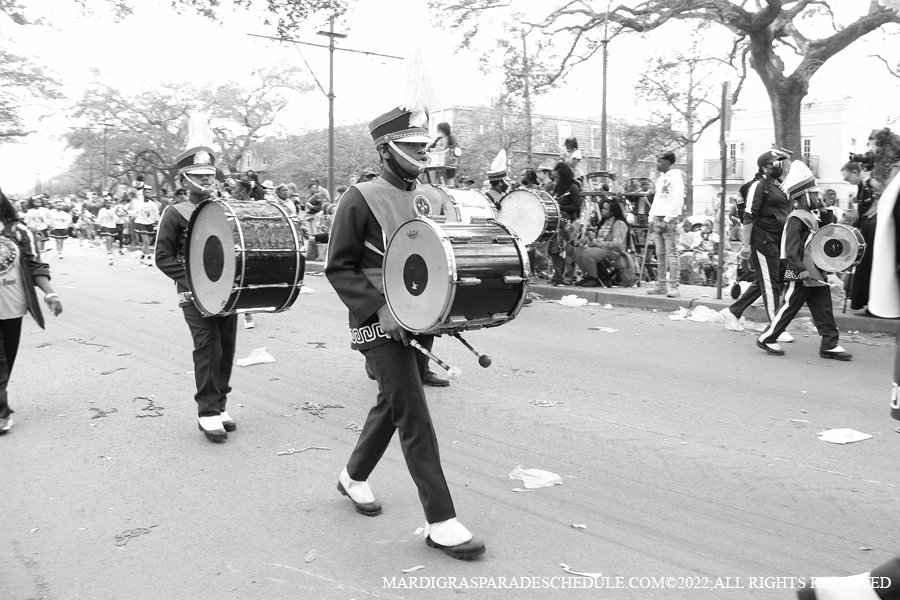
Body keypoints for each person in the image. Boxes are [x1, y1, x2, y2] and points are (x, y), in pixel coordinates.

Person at [325, 64, 485, 560]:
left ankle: (352, 476)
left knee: (394, 406)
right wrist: (377, 309)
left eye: (423, 147)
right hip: (377, 324)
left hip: (422, 321)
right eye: (413, 148)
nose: (422, 154)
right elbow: (339, 267)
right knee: (412, 412)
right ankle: (441, 519)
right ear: (387, 149)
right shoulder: (359, 198)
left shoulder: (428, 198)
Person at [155, 115, 238, 442]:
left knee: (227, 349)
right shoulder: (174, 213)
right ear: (184, 179)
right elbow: (162, 258)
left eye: (209, 175)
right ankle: (206, 410)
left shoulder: (226, 209)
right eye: (198, 176)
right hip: (194, 295)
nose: (206, 180)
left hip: (228, 293)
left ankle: (220, 403)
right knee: (208, 349)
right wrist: (194, 280)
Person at [756, 162, 851, 360]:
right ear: (804, 196)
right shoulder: (796, 218)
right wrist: (799, 270)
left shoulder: (811, 215)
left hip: (815, 271)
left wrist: (825, 211)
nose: (819, 197)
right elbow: (789, 249)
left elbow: (828, 231)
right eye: (815, 194)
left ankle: (829, 344)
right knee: (789, 307)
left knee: (824, 308)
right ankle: (767, 337)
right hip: (800, 273)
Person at [0, 186, 63, 434]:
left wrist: (50, 293)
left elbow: (35, 265)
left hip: (13, 307)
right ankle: (1, 413)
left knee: (7, 360)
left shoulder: (17, 230)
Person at [719, 150, 792, 341]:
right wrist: (745, 245)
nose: (779, 166)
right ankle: (775, 327)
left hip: (776, 240)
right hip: (763, 240)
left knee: (765, 281)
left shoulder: (779, 186)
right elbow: (748, 216)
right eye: (775, 163)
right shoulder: (759, 186)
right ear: (765, 167)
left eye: (780, 162)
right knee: (771, 283)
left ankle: (733, 312)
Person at [646, 151, 684, 297]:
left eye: (659, 161)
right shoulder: (661, 179)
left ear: (668, 162)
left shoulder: (675, 178)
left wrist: (667, 220)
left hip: (669, 218)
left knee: (671, 253)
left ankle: (674, 286)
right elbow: (657, 200)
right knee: (660, 254)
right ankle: (660, 284)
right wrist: (651, 217)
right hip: (657, 217)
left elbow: (677, 201)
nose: (657, 164)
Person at [842, 160, 878, 311]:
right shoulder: (861, 187)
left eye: (847, 177)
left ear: (856, 173)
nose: (846, 181)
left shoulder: (869, 186)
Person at [574, 199, 629, 287]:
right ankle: (587, 276)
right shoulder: (604, 223)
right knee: (578, 250)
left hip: (616, 252)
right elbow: (599, 239)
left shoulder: (619, 223)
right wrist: (589, 241)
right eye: (602, 208)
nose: (602, 210)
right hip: (602, 249)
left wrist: (598, 244)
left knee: (587, 253)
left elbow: (617, 243)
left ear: (612, 212)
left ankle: (594, 278)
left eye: (605, 209)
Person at [549, 162, 581, 286]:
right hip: (557, 223)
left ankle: (565, 276)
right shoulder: (557, 188)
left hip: (568, 224)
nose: (555, 180)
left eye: (557, 177)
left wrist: (559, 206)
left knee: (566, 251)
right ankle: (558, 275)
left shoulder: (573, 187)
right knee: (554, 250)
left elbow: (576, 207)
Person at [427, 122, 460, 186]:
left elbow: (455, 146)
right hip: (438, 165)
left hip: (448, 166)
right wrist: (432, 149)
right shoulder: (438, 139)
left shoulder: (450, 138)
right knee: (438, 183)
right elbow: (430, 147)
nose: (438, 132)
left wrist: (444, 148)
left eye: (439, 130)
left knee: (449, 184)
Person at [135, 187, 160, 267]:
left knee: (147, 243)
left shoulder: (153, 204)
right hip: (140, 223)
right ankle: (149, 258)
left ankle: (142, 256)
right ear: (143, 194)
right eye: (146, 192)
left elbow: (156, 214)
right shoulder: (139, 203)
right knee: (145, 241)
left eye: (149, 192)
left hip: (149, 224)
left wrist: (157, 221)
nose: (148, 194)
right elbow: (135, 212)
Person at [96, 196, 118, 265]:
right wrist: (98, 223)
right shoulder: (102, 210)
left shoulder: (114, 210)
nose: (109, 204)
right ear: (105, 203)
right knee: (108, 238)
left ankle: (110, 250)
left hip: (113, 226)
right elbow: (99, 218)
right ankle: (108, 252)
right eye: (107, 203)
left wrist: (120, 216)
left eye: (110, 203)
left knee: (111, 240)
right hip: (105, 225)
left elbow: (116, 218)